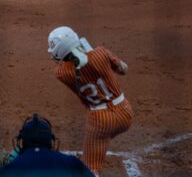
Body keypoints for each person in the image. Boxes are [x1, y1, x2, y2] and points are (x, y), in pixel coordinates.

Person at [48, 27, 133, 176]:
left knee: (90, 169)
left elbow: (75, 64)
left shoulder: (61, 73)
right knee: (105, 137)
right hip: (125, 113)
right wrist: (93, 51)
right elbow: (123, 69)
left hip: (101, 122)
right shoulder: (100, 53)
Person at [0, 113, 95, 177]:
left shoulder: (10, 169)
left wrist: (2, 169)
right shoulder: (72, 163)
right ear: (51, 141)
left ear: (22, 141)